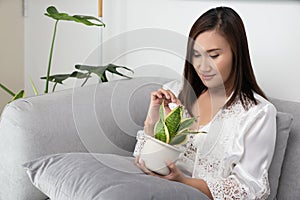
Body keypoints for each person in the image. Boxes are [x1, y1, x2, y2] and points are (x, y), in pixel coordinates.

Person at [134, 6, 276, 200]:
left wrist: (183, 182)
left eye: (214, 55)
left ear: (237, 54)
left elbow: (249, 188)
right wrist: (152, 122)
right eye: (197, 54)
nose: (202, 66)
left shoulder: (257, 113)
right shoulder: (176, 93)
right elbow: (143, 159)